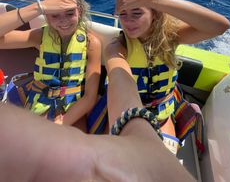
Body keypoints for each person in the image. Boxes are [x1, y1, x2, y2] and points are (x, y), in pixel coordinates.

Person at [0, 50, 195, 182]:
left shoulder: (100, 46)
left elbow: (218, 26)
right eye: (123, 12)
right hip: (47, 102)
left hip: (157, 111)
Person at [109, 0, 230, 154]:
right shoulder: (117, 46)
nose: (128, 22)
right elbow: (119, 80)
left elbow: (220, 26)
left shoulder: (171, 37)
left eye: (137, 12)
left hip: (162, 116)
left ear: (155, 14)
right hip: (127, 113)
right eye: (123, 14)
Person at [0, 0, 101, 130]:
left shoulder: (92, 43)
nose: (63, 20)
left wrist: (61, 123)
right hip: (39, 102)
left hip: (73, 108)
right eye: (55, 14)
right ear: (46, 16)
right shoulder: (39, 36)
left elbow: (89, 98)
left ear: (80, 10)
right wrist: (38, 7)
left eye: (69, 13)